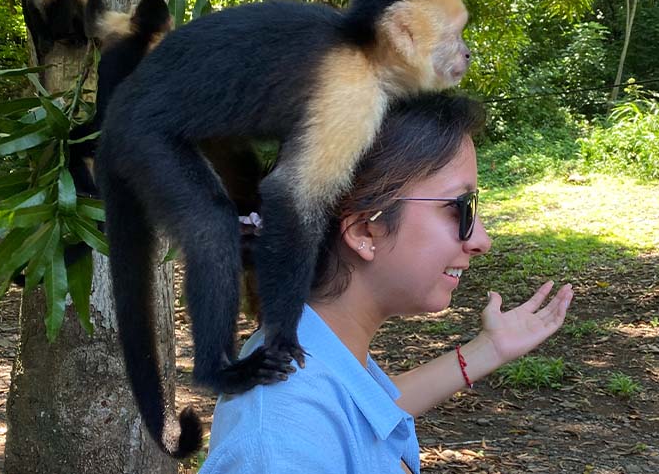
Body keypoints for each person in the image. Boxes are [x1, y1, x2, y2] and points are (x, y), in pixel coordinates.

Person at [200, 92, 574, 473]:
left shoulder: (313, 353)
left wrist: (489, 349)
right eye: (460, 208)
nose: (481, 240)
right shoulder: (282, 440)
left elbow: (363, 412)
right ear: (365, 230)